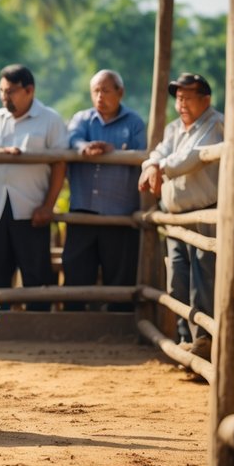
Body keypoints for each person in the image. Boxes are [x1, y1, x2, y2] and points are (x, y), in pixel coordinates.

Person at [139, 72, 223, 358]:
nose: (182, 103)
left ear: (205, 99)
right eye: (179, 98)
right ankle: (186, 337)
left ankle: (204, 340)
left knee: (203, 277)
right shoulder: (175, 128)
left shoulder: (215, 123)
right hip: (176, 215)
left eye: (188, 97)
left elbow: (191, 158)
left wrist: (157, 166)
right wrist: (153, 164)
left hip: (203, 212)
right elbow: (158, 153)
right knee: (178, 277)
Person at [0, 64, 67, 308]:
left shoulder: (50, 120)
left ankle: (38, 325)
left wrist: (48, 206)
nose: (5, 97)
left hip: (30, 209)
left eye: (10, 91)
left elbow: (60, 164)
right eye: (1, 91)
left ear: (29, 90)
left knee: (36, 277)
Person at [63, 70, 147, 306]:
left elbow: (142, 155)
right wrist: (84, 147)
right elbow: (72, 139)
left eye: (106, 91)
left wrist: (114, 152)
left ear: (120, 92)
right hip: (83, 211)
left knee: (120, 277)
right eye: (96, 91)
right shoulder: (82, 119)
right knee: (76, 274)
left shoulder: (134, 123)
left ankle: (119, 323)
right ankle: (74, 322)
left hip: (120, 214)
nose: (100, 97)